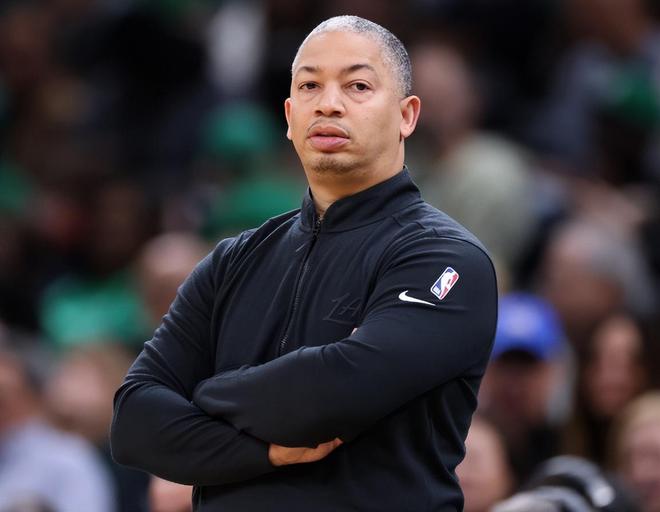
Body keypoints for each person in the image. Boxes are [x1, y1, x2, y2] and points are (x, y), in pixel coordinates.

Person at [111, 15, 498, 511]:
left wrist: (199, 397)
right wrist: (266, 452)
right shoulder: (232, 261)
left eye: (358, 86)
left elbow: (336, 392)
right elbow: (134, 422)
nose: (329, 104)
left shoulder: (446, 258)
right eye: (310, 85)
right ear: (291, 116)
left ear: (407, 115)